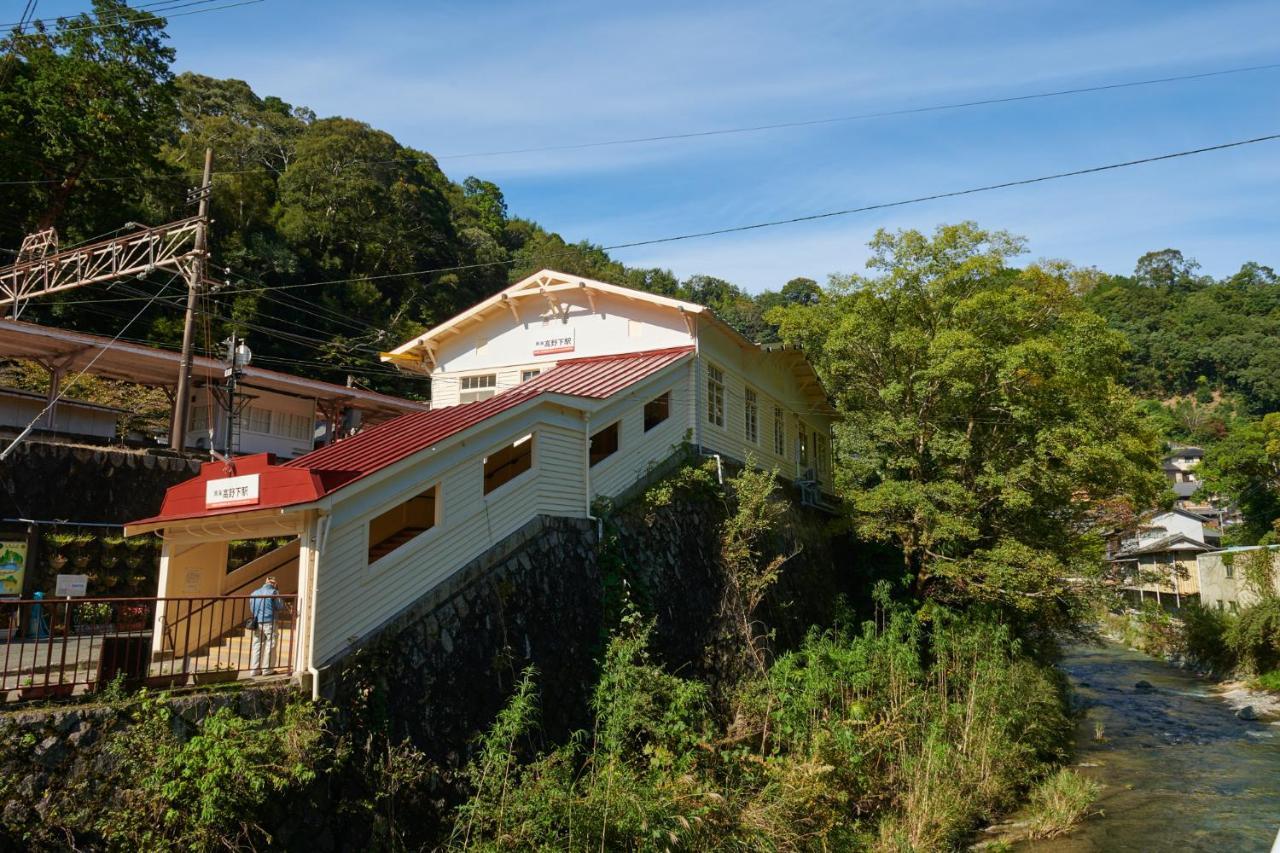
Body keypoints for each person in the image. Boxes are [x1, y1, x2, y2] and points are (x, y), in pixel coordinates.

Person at [249, 576, 284, 676]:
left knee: (257, 645)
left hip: (258, 622)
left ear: (265, 582)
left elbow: (252, 609)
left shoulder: (254, 593)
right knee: (270, 644)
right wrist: (277, 591)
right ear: (274, 583)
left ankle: (255, 670)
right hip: (270, 622)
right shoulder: (274, 592)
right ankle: (267, 670)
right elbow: (280, 606)